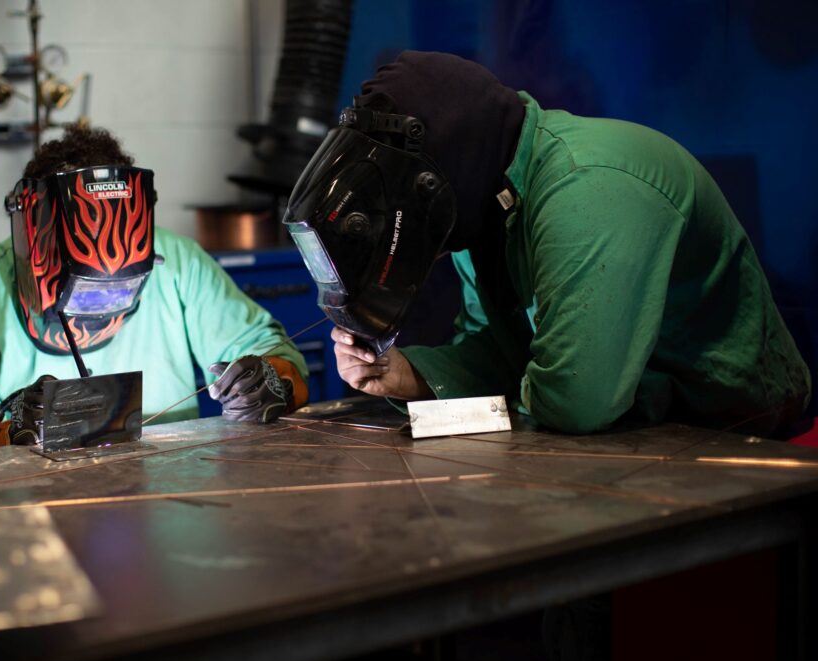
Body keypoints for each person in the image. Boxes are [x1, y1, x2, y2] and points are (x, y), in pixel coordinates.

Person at [284, 50, 810, 436]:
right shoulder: (484, 202)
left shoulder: (591, 185)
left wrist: (514, 396)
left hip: (745, 437)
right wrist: (409, 375)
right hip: (648, 438)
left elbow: (576, 402)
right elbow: (500, 351)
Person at [0, 126, 308, 448]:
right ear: (34, 244)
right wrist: (12, 433)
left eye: (122, 286)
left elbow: (277, 356)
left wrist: (270, 382)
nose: (103, 305)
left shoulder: (179, 263)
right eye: (83, 287)